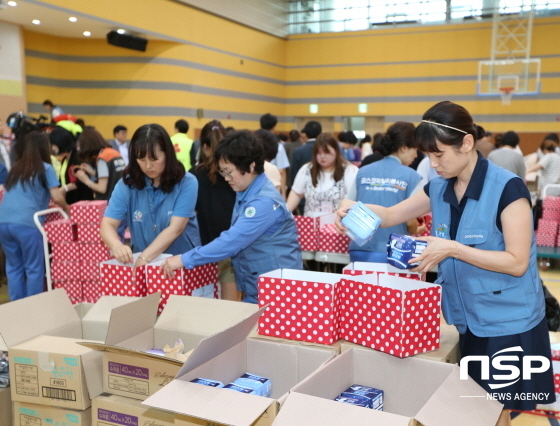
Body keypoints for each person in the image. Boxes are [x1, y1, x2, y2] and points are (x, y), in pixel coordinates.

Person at [336, 100, 554, 425]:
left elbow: (517, 262)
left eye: (439, 154)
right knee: (481, 406)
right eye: (428, 155)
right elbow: (394, 214)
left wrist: (452, 249)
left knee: (495, 408)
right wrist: (355, 210)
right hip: (470, 319)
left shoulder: (508, 188)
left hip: (510, 322)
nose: (433, 164)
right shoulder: (439, 185)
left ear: (466, 143)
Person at [160, 130, 302, 304]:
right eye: (223, 172)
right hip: (259, 288)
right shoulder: (246, 192)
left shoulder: (263, 202)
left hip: (277, 292)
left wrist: (184, 259)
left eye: (229, 172)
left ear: (250, 166)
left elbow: (231, 241)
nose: (226, 178)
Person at [100, 123, 201, 267]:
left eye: (154, 159)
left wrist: (144, 258)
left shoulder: (187, 182)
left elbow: (175, 228)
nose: (148, 166)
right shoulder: (127, 185)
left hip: (180, 264)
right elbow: (107, 224)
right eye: (141, 159)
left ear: (168, 154)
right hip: (144, 264)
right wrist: (117, 246)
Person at [0, 131, 69, 301]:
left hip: (3, 222)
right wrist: (67, 209)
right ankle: (34, 307)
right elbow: (57, 196)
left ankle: (17, 306)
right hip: (28, 223)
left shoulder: (17, 167)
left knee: (14, 267)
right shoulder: (45, 168)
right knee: (34, 268)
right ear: (44, 147)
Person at [347, 122, 421, 263]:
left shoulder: (363, 171)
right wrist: (416, 230)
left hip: (359, 248)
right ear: (404, 148)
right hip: (395, 251)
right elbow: (411, 222)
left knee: (360, 286)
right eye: (415, 149)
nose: (416, 155)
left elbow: (348, 206)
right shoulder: (412, 176)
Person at [193, 120, 239, 301]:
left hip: (203, 249)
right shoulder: (234, 174)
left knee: (204, 303)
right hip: (231, 244)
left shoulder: (193, 176)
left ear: (204, 147)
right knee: (230, 309)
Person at [288, 132, 358, 216]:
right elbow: (296, 193)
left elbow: (353, 200)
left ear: (336, 152)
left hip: (338, 224)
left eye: (327, 152)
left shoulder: (349, 170)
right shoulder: (306, 169)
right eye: (319, 153)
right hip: (311, 224)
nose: (322, 156)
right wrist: (285, 215)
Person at [74, 128, 125, 200]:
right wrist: (93, 172)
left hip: (108, 202)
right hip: (120, 199)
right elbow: (112, 176)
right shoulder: (114, 153)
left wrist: (85, 180)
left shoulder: (103, 158)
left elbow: (102, 188)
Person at [49, 126, 94, 203]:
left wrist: (64, 188)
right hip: (70, 201)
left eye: (53, 144)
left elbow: (81, 181)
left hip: (81, 203)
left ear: (60, 143)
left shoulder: (78, 157)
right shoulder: (65, 159)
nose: (52, 148)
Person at [291, 120, 322, 186]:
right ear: (320, 133)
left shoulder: (298, 151)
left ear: (306, 133)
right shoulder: (325, 150)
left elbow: (294, 173)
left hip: (302, 187)